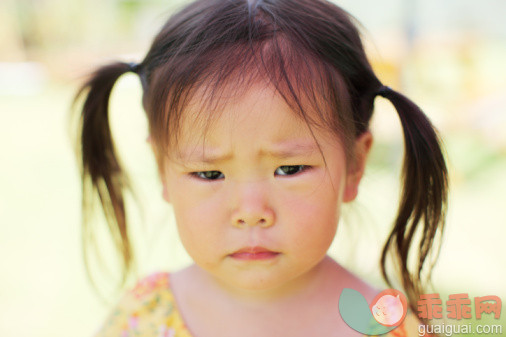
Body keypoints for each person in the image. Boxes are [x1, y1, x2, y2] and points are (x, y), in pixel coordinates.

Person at [72, 0, 448, 336]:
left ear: (354, 165)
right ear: (162, 170)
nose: (251, 212)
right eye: (208, 174)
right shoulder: (144, 318)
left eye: (289, 169)